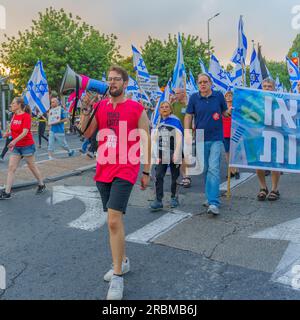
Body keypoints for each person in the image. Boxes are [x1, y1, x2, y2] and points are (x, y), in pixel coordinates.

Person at [80, 66, 151, 300]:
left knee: (112, 220)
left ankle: (118, 276)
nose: (112, 83)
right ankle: (124, 260)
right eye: (109, 79)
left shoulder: (136, 108)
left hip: (126, 168)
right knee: (116, 220)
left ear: (125, 83)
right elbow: (86, 131)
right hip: (103, 168)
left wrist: (147, 171)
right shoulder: (100, 106)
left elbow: (146, 140)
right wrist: (86, 108)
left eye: (116, 79)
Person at [184, 73, 229, 216]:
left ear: (210, 83)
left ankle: (214, 202)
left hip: (216, 137)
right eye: (200, 82)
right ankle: (210, 197)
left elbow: (224, 113)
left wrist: (230, 111)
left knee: (214, 168)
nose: (202, 84)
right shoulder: (194, 98)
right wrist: (187, 132)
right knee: (206, 169)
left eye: (205, 82)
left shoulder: (218, 96)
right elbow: (188, 115)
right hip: (200, 137)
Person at [0, 97, 46, 200]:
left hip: (27, 146)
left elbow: (25, 132)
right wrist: (7, 134)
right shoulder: (13, 116)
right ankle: (7, 192)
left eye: (13, 103)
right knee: (11, 168)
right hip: (17, 147)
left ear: (19, 105)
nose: (11, 105)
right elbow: (14, 130)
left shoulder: (26, 116)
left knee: (32, 166)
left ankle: (41, 184)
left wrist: (13, 141)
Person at [150, 101, 183, 211]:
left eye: (167, 107)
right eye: (162, 107)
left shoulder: (175, 121)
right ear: (159, 110)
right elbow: (154, 140)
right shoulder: (158, 122)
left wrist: (177, 152)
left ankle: (174, 197)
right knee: (159, 175)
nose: (164, 108)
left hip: (174, 151)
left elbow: (179, 137)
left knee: (175, 176)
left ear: (170, 109)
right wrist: (155, 154)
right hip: (161, 152)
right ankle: (158, 200)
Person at [256, 78, 281, 201]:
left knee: (274, 163)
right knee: (258, 162)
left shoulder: (279, 101)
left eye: (269, 86)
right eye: (264, 86)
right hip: (259, 135)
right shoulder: (257, 101)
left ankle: (274, 189)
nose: (266, 88)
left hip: (275, 135)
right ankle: (263, 187)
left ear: (274, 88)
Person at [172, 88, 192, 188]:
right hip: (176, 134)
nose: (175, 95)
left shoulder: (188, 105)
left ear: (183, 94)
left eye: (177, 93)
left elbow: (193, 119)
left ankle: (186, 176)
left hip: (186, 133)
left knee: (185, 156)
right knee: (179, 157)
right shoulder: (174, 105)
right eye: (175, 93)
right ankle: (184, 175)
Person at [222, 91, 240, 179]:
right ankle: (231, 170)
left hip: (234, 131)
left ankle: (236, 169)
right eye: (227, 96)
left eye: (230, 95)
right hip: (225, 131)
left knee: (235, 151)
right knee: (227, 151)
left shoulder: (236, 106)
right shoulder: (222, 107)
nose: (228, 97)